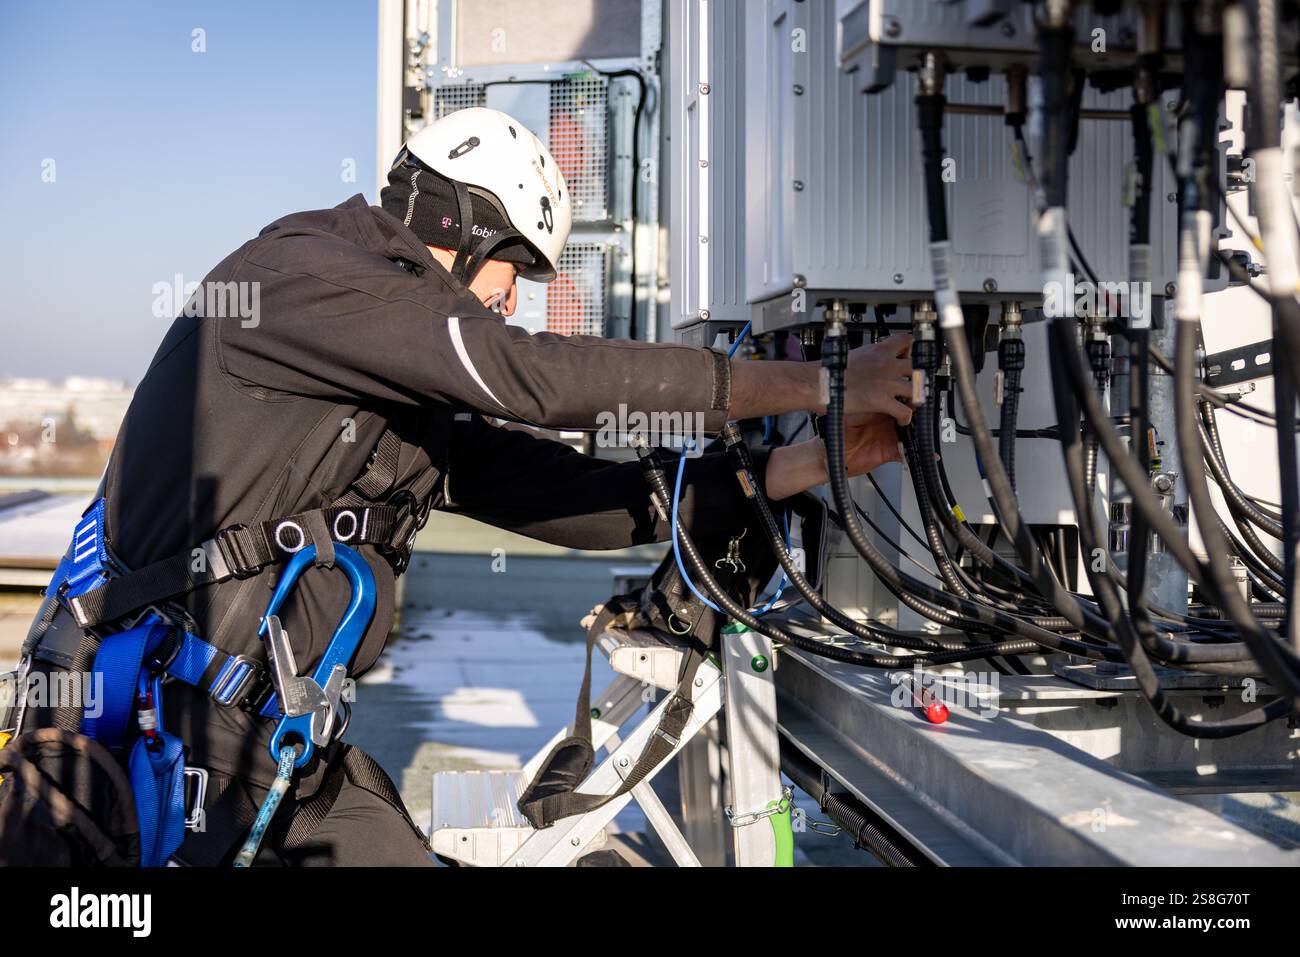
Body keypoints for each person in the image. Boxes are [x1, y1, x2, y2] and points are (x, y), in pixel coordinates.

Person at [14, 107, 913, 865]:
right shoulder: (307, 276)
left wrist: (799, 463)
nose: (512, 297)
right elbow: (541, 382)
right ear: (461, 222)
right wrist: (821, 384)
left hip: (277, 756)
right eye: (512, 266)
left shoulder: (392, 387)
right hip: (162, 742)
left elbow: (563, 493)